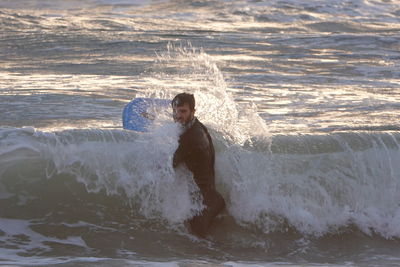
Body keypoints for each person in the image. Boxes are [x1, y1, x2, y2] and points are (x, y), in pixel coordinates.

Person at [171, 93, 225, 237]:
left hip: (205, 204)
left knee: (199, 245)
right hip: (210, 198)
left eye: (183, 111)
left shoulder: (191, 138)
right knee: (202, 245)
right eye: (175, 110)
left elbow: (170, 165)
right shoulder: (196, 126)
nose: (177, 115)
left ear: (193, 112)